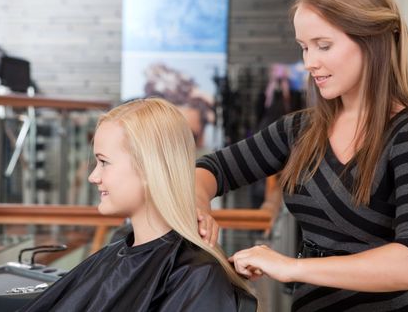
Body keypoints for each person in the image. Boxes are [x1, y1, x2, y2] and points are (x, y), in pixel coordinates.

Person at [195, 0, 408, 312]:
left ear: (374, 38)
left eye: (324, 45)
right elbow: (212, 168)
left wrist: (291, 267)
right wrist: (199, 204)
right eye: (304, 47)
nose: (309, 63)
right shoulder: (299, 129)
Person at [20, 98, 256, 312]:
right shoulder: (118, 250)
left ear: (147, 169)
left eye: (104, 162)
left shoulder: (195, 275)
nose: (93, 176)